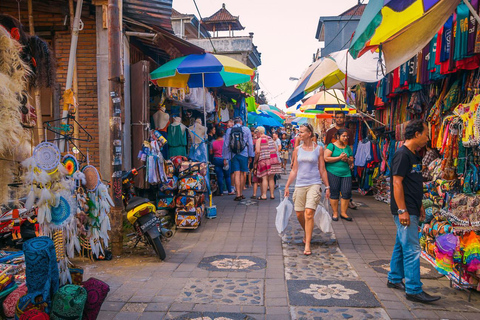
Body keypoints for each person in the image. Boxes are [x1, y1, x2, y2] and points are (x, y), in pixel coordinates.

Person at [387, 120, 440, 303]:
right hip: (404, 208)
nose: (428, 138)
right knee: (412, 249)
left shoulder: (414, 155)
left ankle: (394, 278)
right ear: (417, 134)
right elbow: (396, 182)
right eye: (426, 134)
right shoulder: (402, 155)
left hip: (411, 206)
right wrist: (402, 210)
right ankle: (413, 289)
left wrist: (419, 205)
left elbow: (413, 183)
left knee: (401, 245)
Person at [284, 123, 330, 256]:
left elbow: (322, 169)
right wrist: (287, 185)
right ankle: (307, 231)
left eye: (302, 132)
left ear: (309, 134)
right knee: (299, 213)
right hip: (300, 184)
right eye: (299, 132)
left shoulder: (318, 149)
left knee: (309, 213)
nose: (299, 134)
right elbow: (294, 170)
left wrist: (327, 186)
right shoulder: (297, 150)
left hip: (314, 183)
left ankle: (308, 243)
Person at [325, 111, 358, 210]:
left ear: (344, 119)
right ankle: (334, 202)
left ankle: (348, 201)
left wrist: (350, 159)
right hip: (333, 163)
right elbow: (327, 146)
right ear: (335, 118)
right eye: (337, 117)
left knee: (347, 187)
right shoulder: (330, 132)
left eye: (341, 117)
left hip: (345, 163)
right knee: (334, 187)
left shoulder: (348, 132)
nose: (339, 119)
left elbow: (351, 146)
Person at [324, 129, 354, 221]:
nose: (345, 138)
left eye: (347, 136)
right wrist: (339, 158)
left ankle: (343, 213)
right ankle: (335, 213)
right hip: (333, 172)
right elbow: (326, 158)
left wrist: (347, 160)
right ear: (338, 136)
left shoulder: (347, 147)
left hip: (346, 173)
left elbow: (352, 160)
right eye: (343, 136)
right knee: (334, 192)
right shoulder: (331, 146)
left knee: (346, 192)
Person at [223, 117, 255, 201]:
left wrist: (225, 157)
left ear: (234, 122)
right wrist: (251, 155)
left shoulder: (229, 130)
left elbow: (226, 144)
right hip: (244, 154)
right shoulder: (246, 129)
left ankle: (237, 194)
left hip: (233, 155)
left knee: (236, 173)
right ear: (241, 122)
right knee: (242, 173)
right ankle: (241, 193)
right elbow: (250, 144)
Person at [253, 126, 282, 200]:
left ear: (259, 132)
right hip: (273, 159)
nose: (256, 134)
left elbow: (257, 152)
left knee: (264, 178)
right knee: (271, 178)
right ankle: (272, 195)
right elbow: (275, 149)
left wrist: (255, 161)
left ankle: (264, 195)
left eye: (256, 132)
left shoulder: (259, 140)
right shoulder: (270, 138)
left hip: (264, 160)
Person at [211, 129, 234, 195]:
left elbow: (211, 152)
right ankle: (229, 191)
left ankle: (221, 192)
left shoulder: (213, 142)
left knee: (219, 176)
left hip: (216, 159)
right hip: (225, 159)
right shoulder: (225, 142)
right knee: (227, 176)